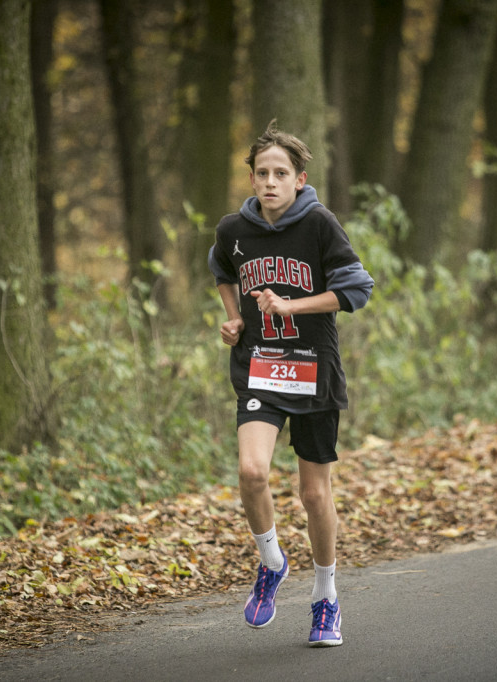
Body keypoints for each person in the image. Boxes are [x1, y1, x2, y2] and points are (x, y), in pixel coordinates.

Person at [207, 120, 374, 647]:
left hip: (314, 371)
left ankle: (325, 598)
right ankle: (271, 562)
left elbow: (357, 290)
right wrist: (234, 317)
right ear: (252, 178)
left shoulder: (320, 224)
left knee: (313, 493)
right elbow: (220, 269)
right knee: (252, 470)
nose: (271, 182)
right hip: (260, 365)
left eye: (281, 173)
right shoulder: (234, 230)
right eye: (262, 173)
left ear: (300, 179)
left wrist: (290, 304)